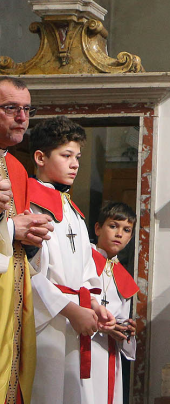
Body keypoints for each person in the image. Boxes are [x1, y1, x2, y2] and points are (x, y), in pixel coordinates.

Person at [26, 116, 113, 404]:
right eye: (66, 156)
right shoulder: (29, 203)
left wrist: (94, 305)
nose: (75, 164)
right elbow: (27, 271)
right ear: (40, 157)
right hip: (47, 321)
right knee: (45, 393)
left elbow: (86, 265)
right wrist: (71, 310)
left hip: (74, 317)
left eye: (77, 156)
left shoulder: (73, 209)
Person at [0, 77, 55, 403]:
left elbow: (18, 234)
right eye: (10, 108)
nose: (22, 117)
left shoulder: (17, 168)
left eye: (26, 109)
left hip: (14, 293)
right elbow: (10, 229)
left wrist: (32, 239)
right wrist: (10, 230)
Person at [90, 202, 138, 404]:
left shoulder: (123, 276)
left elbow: (121, 319)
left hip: (109, 352)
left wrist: (125, 331)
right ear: (98, 228)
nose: (119, 234)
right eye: (113, 226)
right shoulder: (84, 259)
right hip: (84, 344)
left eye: (126, 230)